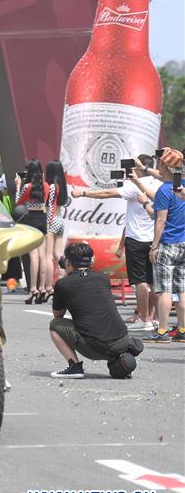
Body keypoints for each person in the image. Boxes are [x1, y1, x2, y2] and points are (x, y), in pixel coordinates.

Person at [71, 154, 161, 330]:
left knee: (140, 281)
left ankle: (144, 319)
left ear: (139, 167)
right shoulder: (158, 184)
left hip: (136, 239)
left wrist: (83, 192)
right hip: (154, 239)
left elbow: (107, 193)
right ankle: (154, 318)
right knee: (153, 282)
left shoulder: (134, 185)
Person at [49, 242, 143, 378]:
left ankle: (74, 367)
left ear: (67, 262)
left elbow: (58, 314)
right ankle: (119, 360)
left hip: (97, 346)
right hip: (123, 340)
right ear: (91, 261)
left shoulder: (63, 284)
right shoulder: (103, 278)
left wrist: (64, 282)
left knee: (55, 325)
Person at [140, 149, 185, 343]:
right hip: (184, 242)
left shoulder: (164, 191)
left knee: (165, 289)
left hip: (167, 243)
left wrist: (154, 246)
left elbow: (160, 221)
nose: (157, 165)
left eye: (160, 163)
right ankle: (182, 329)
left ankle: (162, 331)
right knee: (182, 289)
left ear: (165, 166)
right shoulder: (182, 187)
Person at [15, 160, 49, 304]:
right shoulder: (46, 186)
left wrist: (18, 186)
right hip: (42, 218)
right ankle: (42, 287)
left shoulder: (27, 186)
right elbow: (46, 202)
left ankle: (33, 289)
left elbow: (18, 202)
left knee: (33, 257)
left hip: (31, 219)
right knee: (43, 256)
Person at [44, 160, 69, 297]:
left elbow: (51, 205)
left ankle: (49, 287)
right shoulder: (62, 185)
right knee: (58, 254)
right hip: (60, 219)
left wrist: (48, 222)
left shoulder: (52, 186)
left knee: (48, 256)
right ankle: (63, 281)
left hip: (52, 219)